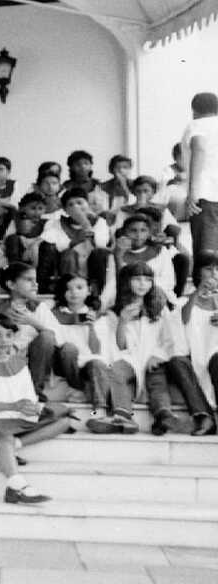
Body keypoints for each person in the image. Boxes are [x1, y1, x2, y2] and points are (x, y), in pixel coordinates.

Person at [0, 314, 71, 504]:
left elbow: (28, 397)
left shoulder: (20, 366)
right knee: (6, 439)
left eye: (8, 335)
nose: (3, 340)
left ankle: (13, 448)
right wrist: (13, 406)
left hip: (16, 418)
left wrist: (31, 407)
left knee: (64, 421)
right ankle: (17, 483)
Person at [90, 263, 187, 435]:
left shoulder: (160, 308)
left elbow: (169, 338)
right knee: (117, 370)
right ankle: (123, 416)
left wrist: (157, 355)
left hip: (155, 356)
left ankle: (164, 415)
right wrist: (123, 321)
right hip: (131, 357)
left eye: (147, 280)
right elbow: (120, 346)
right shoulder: (116, 311)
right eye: (137, 279)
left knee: (157, 379)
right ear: (126, 282)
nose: (143, 284)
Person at [0, 262, 56, 401]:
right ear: (11, 285)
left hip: (34, 359)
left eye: (35, 280)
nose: (35, 284)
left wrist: (32, 322)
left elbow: (57, 339)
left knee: (47, 335)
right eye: (29, 280)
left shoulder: (39, 308)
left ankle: (34, 390)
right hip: (6, 354)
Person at [47, 274, 111, 412]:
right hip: (65, 362)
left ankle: (100, 411)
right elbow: (56, 344)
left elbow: (96, 351)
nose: (74, 292)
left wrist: (91, 327)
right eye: (68, 289)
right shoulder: (54, 314)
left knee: (97, 364)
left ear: (89, 290)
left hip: (87, 364)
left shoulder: (96, 315)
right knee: (68, 349)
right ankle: (82, 388)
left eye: (79, 288)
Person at [170, 254, 218, 435]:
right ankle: (204, 417)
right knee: (177, 361)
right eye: (208, 268)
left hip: (215, 356)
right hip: (193, 354)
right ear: (198, 272)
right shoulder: (184, 301)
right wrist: (198, 292)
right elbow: (183, 319)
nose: (214, 273)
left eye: (217, 269)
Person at [37, 188, 112, 299]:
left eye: (79, 203)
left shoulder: (100, 222)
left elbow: (101, 243)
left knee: (100, 253)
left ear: (87, 204)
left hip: (91, 261)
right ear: (65, 210)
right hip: (65, 261)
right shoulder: (55, 223)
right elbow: (53, 245)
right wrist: (75, 240)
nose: (76, 207)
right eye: (71, 205)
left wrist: (85, 223)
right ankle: (65, 290)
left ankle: (97, 293)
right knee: (68, 253)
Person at [185, 93, 218, 258]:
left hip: (206, 195)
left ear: (194, 110)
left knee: (206, 253)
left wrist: (192, 191)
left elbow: (199, 148)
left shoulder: (198, 124)